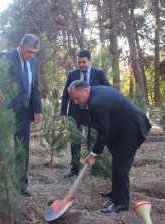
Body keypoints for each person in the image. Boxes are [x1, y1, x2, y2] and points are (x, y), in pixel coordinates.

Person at [68, 80, 151, 213]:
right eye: (73, 99)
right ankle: (117, 192)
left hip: (132, 128)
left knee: (121, 164)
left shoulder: (96, 102)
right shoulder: (95, 92)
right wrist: (92, 150)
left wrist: (94, 154)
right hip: (122, 127)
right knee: (118, 161)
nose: (75, 102)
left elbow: (103, 132)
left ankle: (121, 203)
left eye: (76, 98)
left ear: (85, 90)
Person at [0, 34, 43, 198]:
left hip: (25, 111)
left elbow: (35, 87)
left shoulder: (34, 62)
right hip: (6, 109)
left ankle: (21, 184)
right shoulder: (6, 56)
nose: (31, 56)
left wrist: (38, 110)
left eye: (34, 53)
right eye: (29, 52)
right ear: (21, 45)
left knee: (22, 148)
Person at [61, 50, 110, 177]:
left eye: (83, 62)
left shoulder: (98, 74)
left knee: (93, 139)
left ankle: (94, 168)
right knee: (75, 141)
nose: (81, 65)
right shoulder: (72, 74)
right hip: (75, 112)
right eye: (79, 62)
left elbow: (107, 91)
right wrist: (63, 113)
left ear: (90, 61)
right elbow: (66, 94)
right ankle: (75, 167)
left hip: (92, 114)